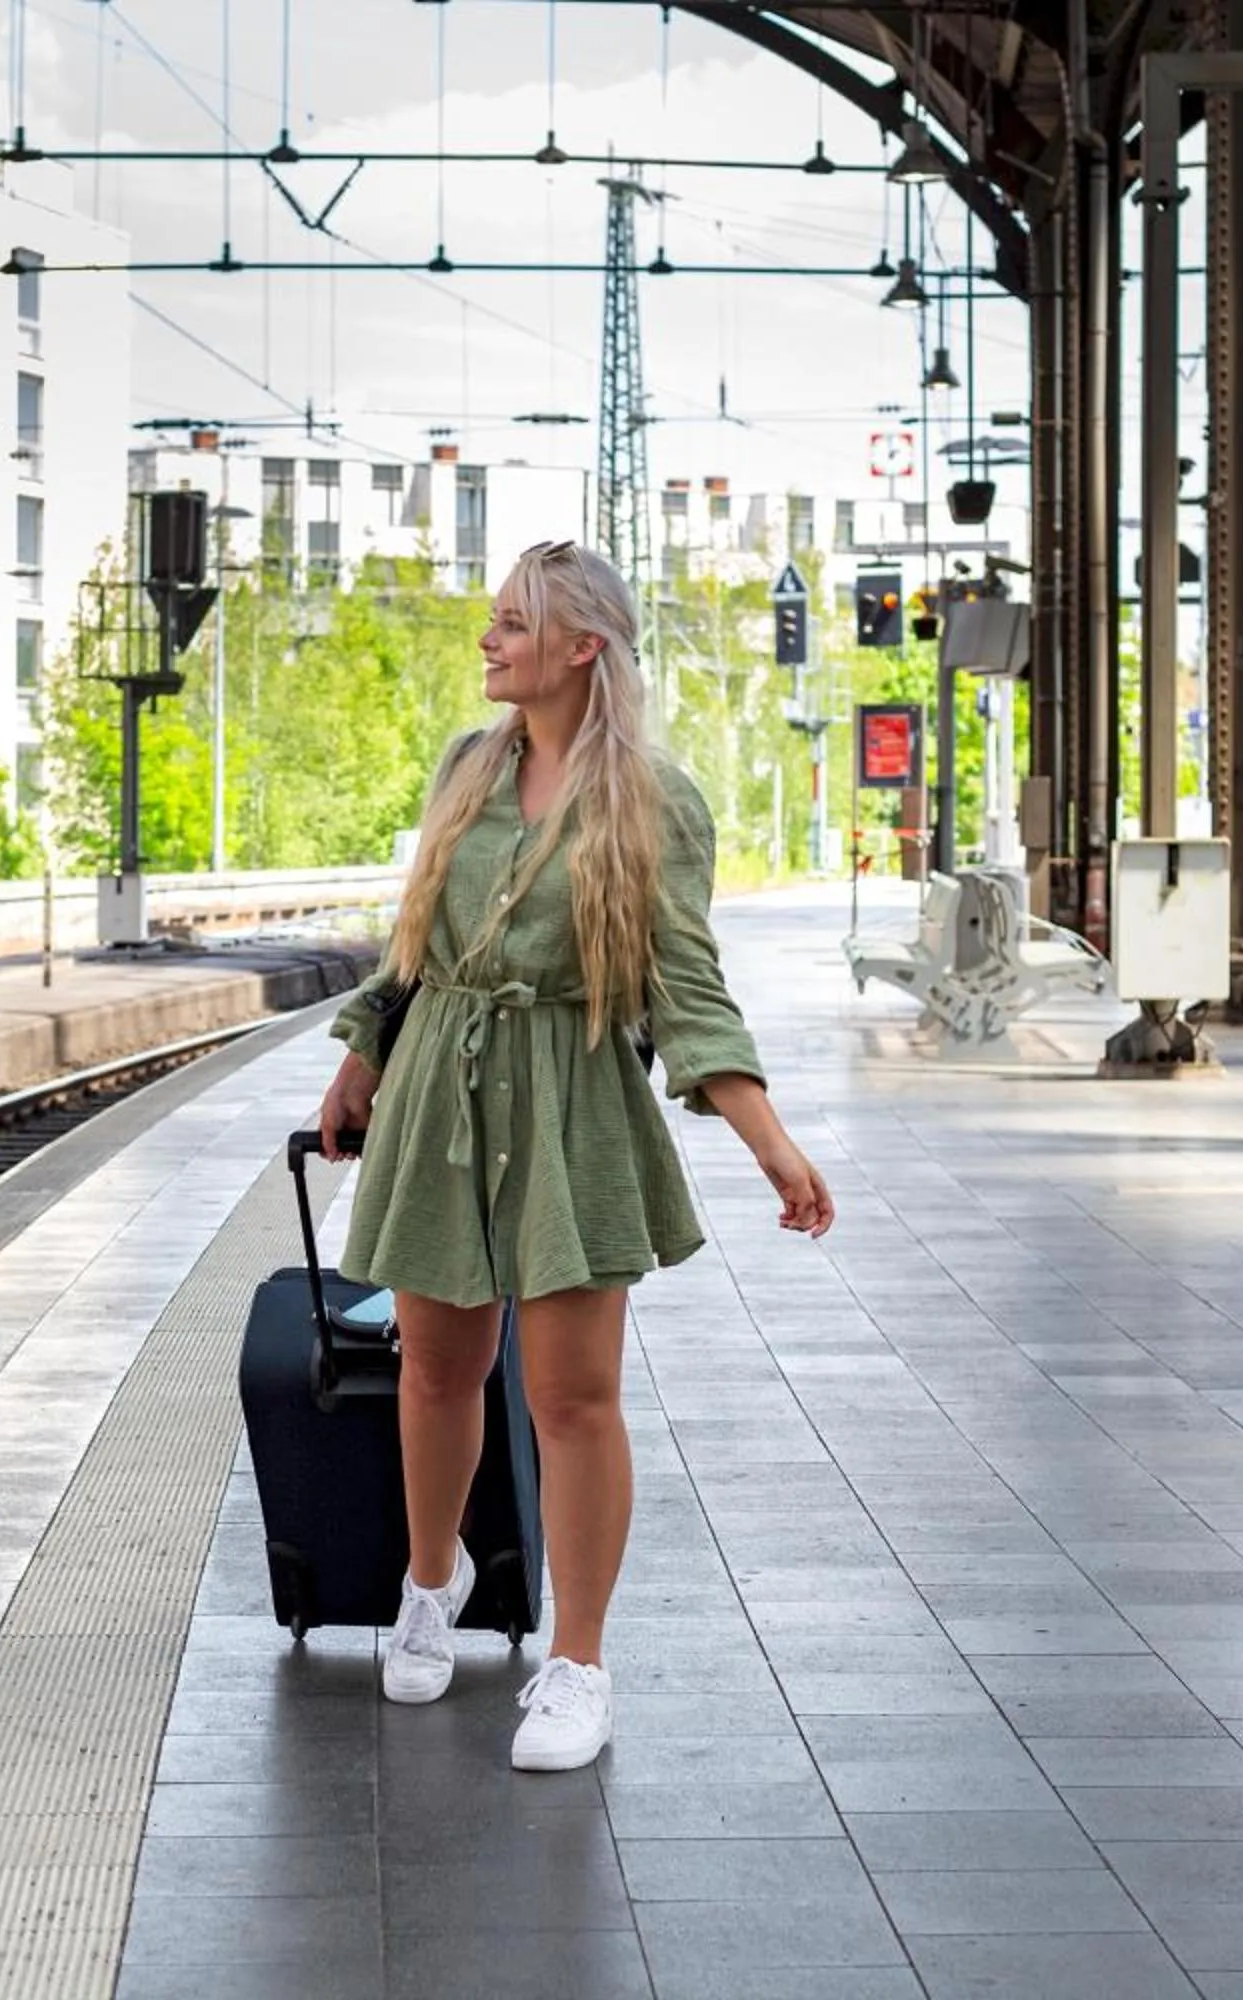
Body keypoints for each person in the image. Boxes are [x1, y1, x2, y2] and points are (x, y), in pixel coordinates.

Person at [315, 539, 834, 1773]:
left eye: (511, 624)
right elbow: (412, 945)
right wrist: (362, 1056)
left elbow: (686, 986)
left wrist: (768, 1140)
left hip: (570, 1096)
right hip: (444, 1078)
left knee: (572, 1396)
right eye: (492, 621)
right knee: (436, 1372)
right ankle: (429, 1588)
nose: (488, 641)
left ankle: (578, 1661)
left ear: (580, 646)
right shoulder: (464, 768)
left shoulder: (656, 797)